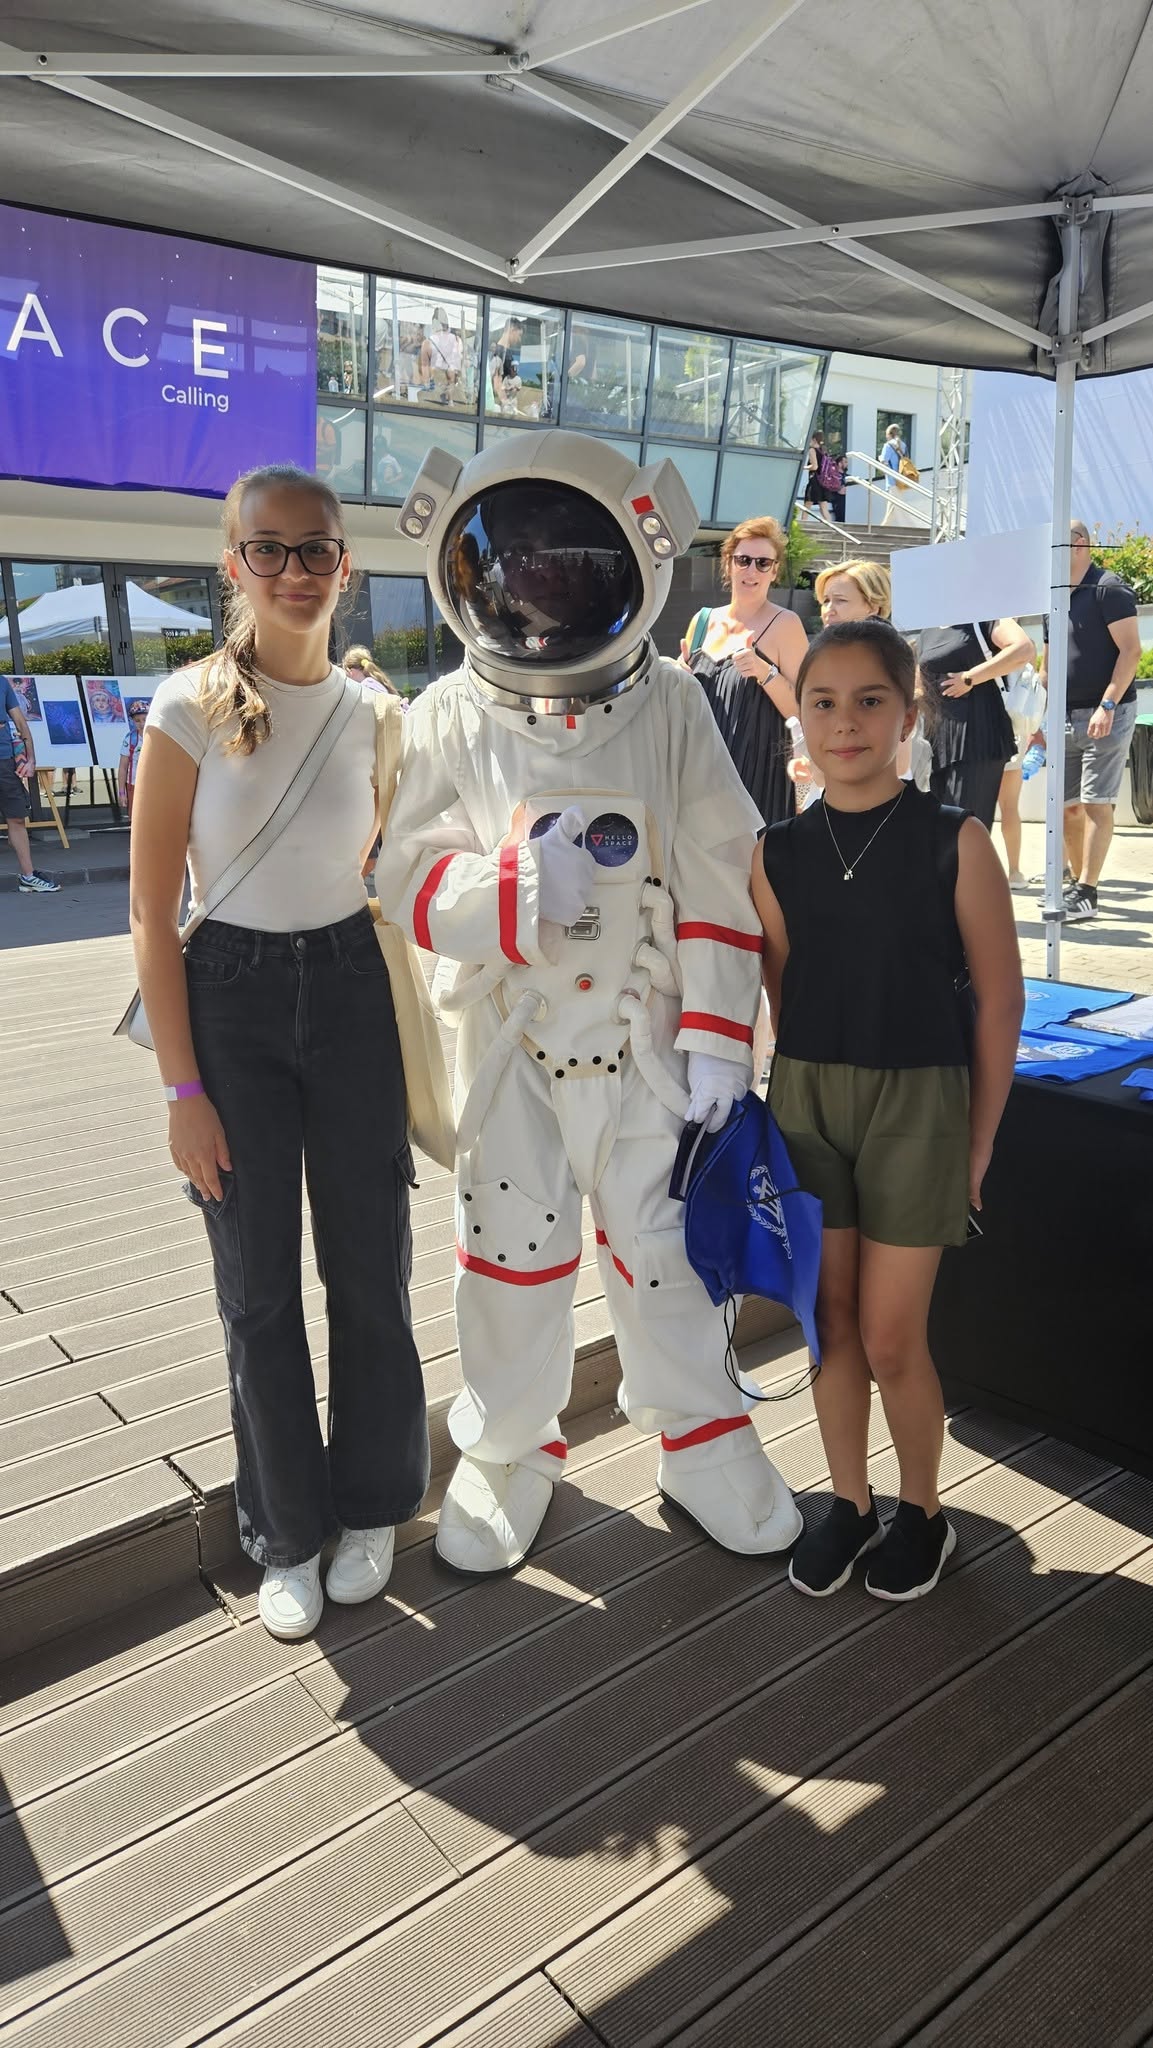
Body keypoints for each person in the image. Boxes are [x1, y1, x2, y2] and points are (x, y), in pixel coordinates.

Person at [378, 429, 801, 1574]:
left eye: (567, 560)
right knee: (508, 1251)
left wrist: (719, 1039)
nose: (540, 586)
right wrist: (506, 894)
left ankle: (702, 1437)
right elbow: (405, 873)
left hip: (647, 1035)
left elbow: (719, 866)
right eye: (517, 562)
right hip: (508, 1038)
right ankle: (509, 1443)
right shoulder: (446, 713)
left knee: (663, 1247)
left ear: (632, 559)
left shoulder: (669, 703)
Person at [128, 460, 428, 1642]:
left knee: (370, 1268)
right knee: (256, 1288)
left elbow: (398, 867)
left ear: (345, 566)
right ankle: (287, 1534)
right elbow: (151, 913)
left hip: (352, 990)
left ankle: (373, 1505)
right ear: (234, 564)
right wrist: (181, 1088)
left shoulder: (375, 713)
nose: (294, 570)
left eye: (316, 550)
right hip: (231, 1004)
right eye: (270, 548)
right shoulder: (186, 707)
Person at [752, 618, 1023, 1601]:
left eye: (870, 701)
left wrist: (977, 1141)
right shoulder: (773, 851)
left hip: (920, 1101)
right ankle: (849, 1501)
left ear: (909, 715)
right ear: (799, 716)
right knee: (830, 1323)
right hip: (808, 1097)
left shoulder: (955, 839)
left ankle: (923, 1510)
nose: (845, 722)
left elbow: (999, 998)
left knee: (892, 1334)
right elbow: (784, 985)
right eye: (823, 702)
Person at [1039, 521, 1141, 923]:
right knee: (1067, 808)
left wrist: (1108, 705)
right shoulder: (1053, 596)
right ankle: (1075, 885)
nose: (1048, 553)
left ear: (1078, 544)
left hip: (1106, 713)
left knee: (1097, 802)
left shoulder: (1108, 588)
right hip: (1063, 715)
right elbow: (1047, 667)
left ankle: (1087, 891)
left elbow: (1131, 651)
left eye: (1055, 545)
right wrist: (1041, 718)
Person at [680, 515, 810, 828]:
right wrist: (678, 675)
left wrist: (766, 673)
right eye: (743, 560)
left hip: (756, 780)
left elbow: (807, 709)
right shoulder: (703, 621)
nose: (752, 571)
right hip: (699, 776)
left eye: (763, 563)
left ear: (774, 571)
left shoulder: (786, 624)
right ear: (728, 564)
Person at [916, 616, 1035, 830]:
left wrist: (970, 677)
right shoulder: (928, 630)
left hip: (978, 732)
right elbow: (919, 684)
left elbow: (1023, 648)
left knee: (964, 825)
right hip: (938, 738)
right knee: (941, 827)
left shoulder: (984, 618)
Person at [1, 678, 59, 893]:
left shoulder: (2, 683)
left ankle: (28, 876)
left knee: (16, 817)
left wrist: (31, 758)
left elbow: (20, 722)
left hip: (5, 760)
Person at [419, 308, 463, 404]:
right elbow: (458, 362)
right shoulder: (456, 340)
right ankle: (450, 400)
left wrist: (426, 383)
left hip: (435, 386)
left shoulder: (428, 342)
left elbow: (424, 367)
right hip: (449, 386)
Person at [118, 701, 148, 820]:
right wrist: (122, 792)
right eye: (137, 720)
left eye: (145, 719)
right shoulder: (130, 739)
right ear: (132, 721)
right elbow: (123, 767)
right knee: (136, 819)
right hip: (134, 785)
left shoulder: (157, 738)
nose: (142, 723)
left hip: (154, 784)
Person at [489, 315, 525, 414]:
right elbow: (496, 380)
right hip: (499, 404)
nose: (519, 339)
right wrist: (505, 402)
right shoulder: (500, 352)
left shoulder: (504, 352)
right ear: (512, 330)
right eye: (519, 335)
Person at [879, 422, 907, 526]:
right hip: (901, 479)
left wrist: (880, 459)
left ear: (889, 434)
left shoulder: (888, 445)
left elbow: (884, 462)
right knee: (895, 505)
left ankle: (884, 527)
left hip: (892, 480)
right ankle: (886, 525)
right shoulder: (903, 445)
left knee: (893, 505)